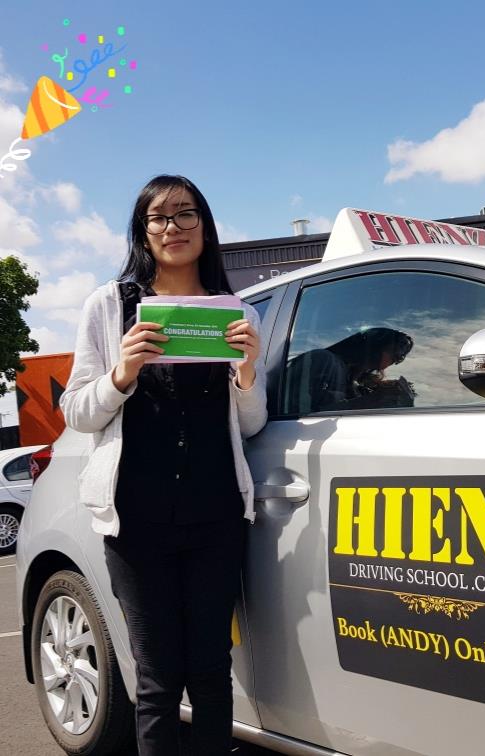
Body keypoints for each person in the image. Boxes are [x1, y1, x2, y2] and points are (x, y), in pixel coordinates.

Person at [59, 174, 267, 755]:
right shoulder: (110, 305)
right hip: (136, 522)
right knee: (156, 678)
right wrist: (121, 373)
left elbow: (251, 424)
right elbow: (76, 410)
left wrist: (247, 373)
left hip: (216, 517)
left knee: (210, 670)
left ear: (205, 225)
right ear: (142, 230)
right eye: (159, 217)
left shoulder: (237, 313)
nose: (173, 227)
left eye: (185, 213)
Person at [284, 327, 414, 413]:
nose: (396, 360)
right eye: (396, 353)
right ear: (376, 346)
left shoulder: (356, 384)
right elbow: (299, 416)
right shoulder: (324, 361)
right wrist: (373, 400)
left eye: (400, 358)